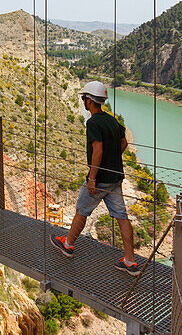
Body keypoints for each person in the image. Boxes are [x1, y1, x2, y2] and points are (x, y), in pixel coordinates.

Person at [50, 80, 140, 275]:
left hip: (99, 179)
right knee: (122, 217)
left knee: (81, 210)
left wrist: (92, 178)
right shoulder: (113, 120)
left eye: (84, 98)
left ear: (89, 101)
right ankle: (130, 261)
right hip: (115, 178)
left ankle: (68, 245)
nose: (83, 101)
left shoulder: (93, 122)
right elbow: (123, 143)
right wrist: (112, 159)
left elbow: (97, 150)